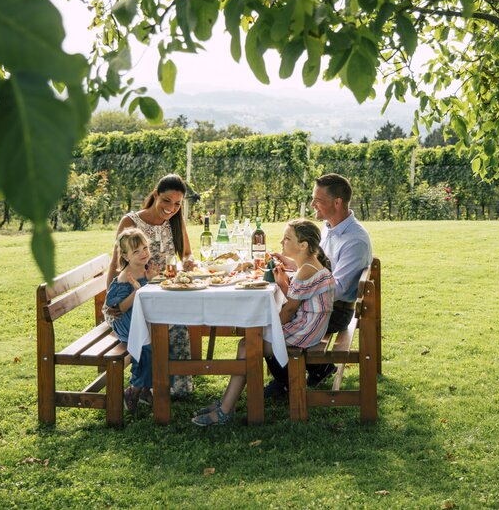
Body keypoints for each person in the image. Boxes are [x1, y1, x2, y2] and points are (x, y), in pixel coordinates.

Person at [191, 219, 335, 426]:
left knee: (249, 344)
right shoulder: (310, 265)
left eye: (287, 238)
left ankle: (225, 409)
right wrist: (283, 285)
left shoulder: (306, 270)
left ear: (303, 245)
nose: (282, 241)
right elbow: (297, 302)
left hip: (305, 332)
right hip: (309, 326)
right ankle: (225, 404)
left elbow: (289, 309)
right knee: (248, 341)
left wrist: (267, 326)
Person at [267, 173, 373, 395]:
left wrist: (295, 289)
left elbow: (337, 288)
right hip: (323, 305)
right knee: (277, 307)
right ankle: (315, 368)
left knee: (274, 316)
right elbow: (320, 269)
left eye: (318, 200)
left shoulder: (354, 240)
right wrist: (295, 263)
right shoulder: (330, 227)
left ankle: (287, 379)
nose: (312, 204)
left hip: (335, 312)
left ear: (337, 202)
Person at [106, 174, 196, 398]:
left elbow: (186, 252)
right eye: (166, 200)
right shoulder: (131, 222)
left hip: (161, 293)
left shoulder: (175, 219)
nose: (171, 208)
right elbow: (115, 264)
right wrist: (112, 302)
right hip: (132, 299)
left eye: (177, 204)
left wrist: (188, 261)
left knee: (180, 320)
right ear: (155, 195)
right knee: (174, 325)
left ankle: (176, 384)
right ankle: (163, 384)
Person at [105, 228, 159, 414]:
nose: (143, 253)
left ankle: (144, 389)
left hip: (139, 318)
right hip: (124, 320)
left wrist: (152, 281)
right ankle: (134, 390)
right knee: (147, 345)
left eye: (145, 248)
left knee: (157, 340)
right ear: (126, 256)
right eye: (136, 251)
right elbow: (117, 308)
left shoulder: (145, 269)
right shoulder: (125, 277)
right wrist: (137, 291)